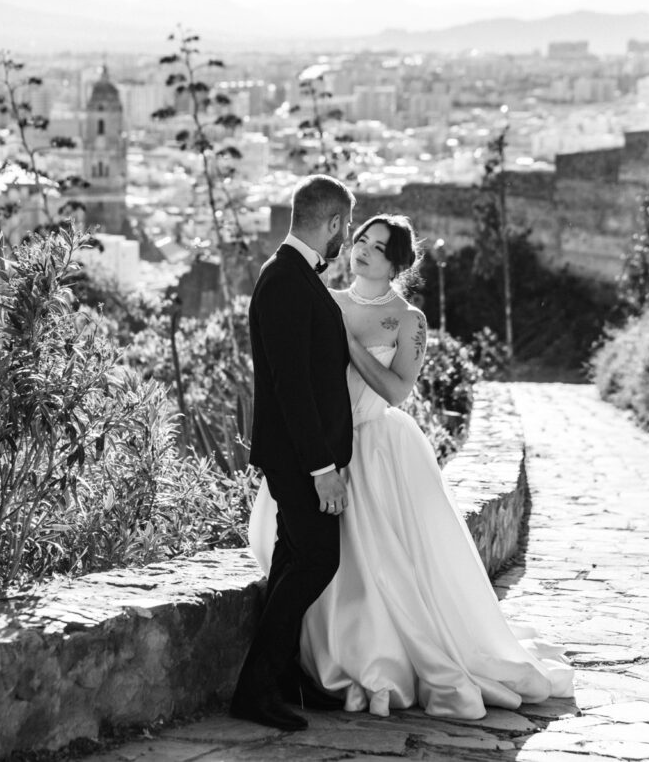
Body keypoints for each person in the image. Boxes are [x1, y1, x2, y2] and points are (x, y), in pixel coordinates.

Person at [249, 214, 574, 720]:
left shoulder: (408, 320)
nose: (362, 251)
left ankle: (381, 660)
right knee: (315, 560)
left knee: (383, 564)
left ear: (398, 263)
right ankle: (312, 667)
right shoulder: (325, 299)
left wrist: (352, 347)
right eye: (360, 240)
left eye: (378, 248)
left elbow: (399, 391)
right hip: (321, 451)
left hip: (378, 446)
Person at [230, 175, 357, 731]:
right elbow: (292, 387)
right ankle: (254, 690)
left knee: (290, 558)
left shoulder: (293, 275)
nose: (345, 238)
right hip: (299, 458)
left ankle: (282, 677)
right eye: (345, 227)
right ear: (331, 223)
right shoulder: (284, 278)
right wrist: (322, 468)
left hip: (303, 454)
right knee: (317, 559)